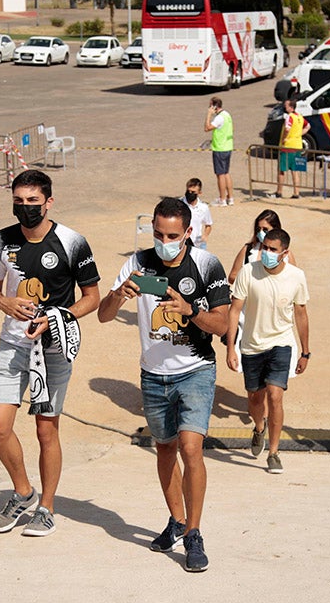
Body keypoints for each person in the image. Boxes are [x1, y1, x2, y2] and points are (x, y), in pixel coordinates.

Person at [97, 197, 231, 573]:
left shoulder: (207, 264)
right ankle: (175, 520)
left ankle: (193, 533)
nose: (164, 240)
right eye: (158, 233)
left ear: (188, 232)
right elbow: (104, 317)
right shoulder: (137, 263)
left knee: (191, 448)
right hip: (153, 374)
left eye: (172, 235)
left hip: (196, 370)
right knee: (165, 450)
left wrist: (191, 311)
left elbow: (222, 326)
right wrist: (117, 294)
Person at [0, 169, 101, 537]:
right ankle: (23, 492)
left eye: (33, 201)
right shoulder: (1, 240)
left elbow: (92, 298)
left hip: (53, 348)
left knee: (45, 429)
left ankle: (47, 507)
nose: (26, 208)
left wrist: (55, 318)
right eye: (19, 202)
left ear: (49, 202)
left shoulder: (71, 242)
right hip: (13, 343)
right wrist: (4, 302)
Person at [226, 228, 309, 475]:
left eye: (273, 250)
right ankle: (259, 427)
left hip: (281, 343)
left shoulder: (297, 277)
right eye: (265, 248)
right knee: (255, 399)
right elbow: (234, 310)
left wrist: (305, 352)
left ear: (285, 253)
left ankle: (274, 452)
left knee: (275, 395)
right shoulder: (248, 272)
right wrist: (231, 347)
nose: (267, 254)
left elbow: (301, 313)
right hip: (251, 346)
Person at [227, 209, 297, 284]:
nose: (261, 232)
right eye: (258, 229)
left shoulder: (285, 255)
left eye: (265, 230)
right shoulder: (248, 249)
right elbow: (232, 276)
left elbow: (294, 278)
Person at [276, 99, 309, 199]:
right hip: (298, 146)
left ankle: (279, 191)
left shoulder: (289, 117)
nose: (285, 107)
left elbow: (287, 128)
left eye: (286, 105)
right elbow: (307, 126)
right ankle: (296, 192)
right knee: (295, 171)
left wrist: (284, 138)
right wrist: (299, 134)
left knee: (282, 170)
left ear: (291, 107)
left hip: (288, 147)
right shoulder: (299, 117)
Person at [204, 96, 233, 206]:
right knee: (226, 173)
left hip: (220, 148)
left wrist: (208, 115)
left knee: (220, 174)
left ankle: (222, 199)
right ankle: (230, 198)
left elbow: (207, 128)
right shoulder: (227, 115)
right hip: (227, 146)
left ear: (214, 106)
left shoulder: (219, 118)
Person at [181, 177, 212, 249]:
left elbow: (208, 225)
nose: (190, 194)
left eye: (193, 192)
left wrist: (205, 236)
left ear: (199, 193)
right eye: (188, 191)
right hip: (182, 241)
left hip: (197, 243)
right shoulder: (179, 205)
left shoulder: (203, 208)